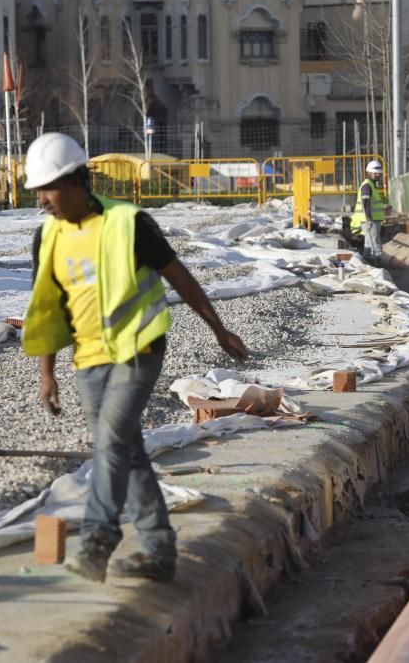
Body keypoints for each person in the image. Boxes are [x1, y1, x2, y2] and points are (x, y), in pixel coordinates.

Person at [20, 133, 249, 583]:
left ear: (76, 181)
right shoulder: (46, 236)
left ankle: (98, 539)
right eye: (38, 190)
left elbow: (180, 277)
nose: (42, 200)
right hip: (88, 359)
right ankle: (158, 549)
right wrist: (47, 373)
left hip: (139, 349)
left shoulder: (129, 223)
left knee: (110, 442)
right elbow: (46, 308)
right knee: (125, 448)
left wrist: (218, 329)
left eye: (48, 188)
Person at [349, 160, 385, 265]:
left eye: (379, 173)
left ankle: (368, 264)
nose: (378, 175)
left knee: (369, 244)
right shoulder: (367, 186)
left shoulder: (371, 186)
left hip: (373, 219)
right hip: (370, 220)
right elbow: (365, 203)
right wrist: (368, 219)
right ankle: (376, 265)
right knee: (374, 245)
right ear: (369, 172)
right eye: (375, 173)